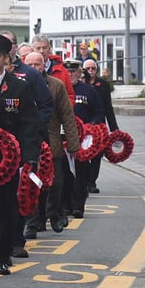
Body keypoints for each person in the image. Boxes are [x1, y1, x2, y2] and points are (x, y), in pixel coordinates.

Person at [0, 34, 40, 288]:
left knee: (5, 208)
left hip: (9, 159)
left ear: (6, 59)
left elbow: (29, 125)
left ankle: (2, 255)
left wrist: (29, 157)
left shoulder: (19, 87)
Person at [25, 52, 80, 234]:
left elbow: (67, 115)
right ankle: (34, 221)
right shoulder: (19, 85)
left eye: (37, 65)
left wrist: (73, 144)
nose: (34, 68)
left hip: (52, 141)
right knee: (32, 183)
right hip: (29, 142)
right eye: (30, 65)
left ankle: (54, 215)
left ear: (44, 65)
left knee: (56, 182)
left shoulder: (56, 85)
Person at [63, 59, 104, 218]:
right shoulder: (60, 89)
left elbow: (99, 111)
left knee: (81, 173)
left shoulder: (88, 90)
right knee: (65, 173)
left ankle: (78, 205)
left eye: (73, 71)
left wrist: (92, 126)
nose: (71, 74)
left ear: (79, 73)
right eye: (68, 72)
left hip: (83, 139)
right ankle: (65, 205)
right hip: (63, 136)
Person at [82, 59, 119, 194]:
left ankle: (92, 182)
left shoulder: (103, 84)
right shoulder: (80, 84)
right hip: (83, 126)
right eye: (88, 69)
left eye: (93, 68)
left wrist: (114, 129)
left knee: (97, 155)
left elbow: (108, 108)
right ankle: (84, 181)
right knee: (84, 154)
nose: (91, 71)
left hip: (98, 126)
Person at [32, 35, 75, 104]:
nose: (42, 51)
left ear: (49, 49)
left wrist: (65, 111)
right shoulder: (26, 70)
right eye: (38, 48)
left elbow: (70, 95)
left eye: (44, 48)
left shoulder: (62, 71)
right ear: (32, 49)